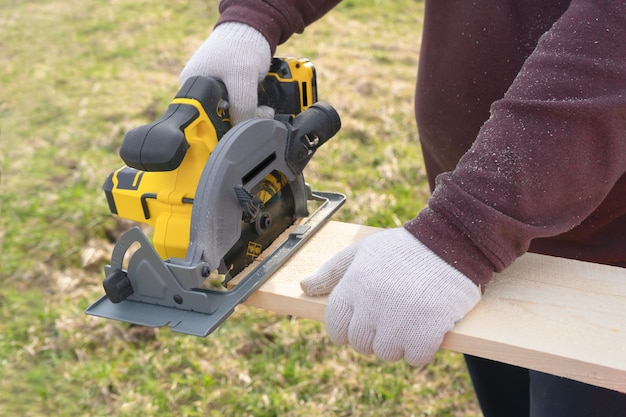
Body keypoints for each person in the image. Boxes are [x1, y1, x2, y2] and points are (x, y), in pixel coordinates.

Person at [179, 1, 626, 415]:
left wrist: (464, 232)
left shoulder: (470, 230)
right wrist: (254, 16)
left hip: (604, 256)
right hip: (488, 235)